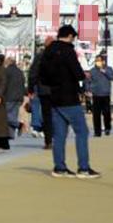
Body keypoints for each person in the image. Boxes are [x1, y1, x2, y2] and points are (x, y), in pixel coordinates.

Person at [40, 25, 100, 179]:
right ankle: (84, 168)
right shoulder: (67, 51)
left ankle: (60, 167)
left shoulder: (47, 52)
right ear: (69, 36)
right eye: (73, 37)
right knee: (82, 132)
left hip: (54, 97)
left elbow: (42, 76)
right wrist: (83, 76)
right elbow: (77, 73)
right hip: (69, 97)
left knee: (59, 135)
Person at [28, 37, 54, 149]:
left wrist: (30, 89)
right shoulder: (60, 56)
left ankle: (48, 141)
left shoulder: (40, 57)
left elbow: (33, 73)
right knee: (57, 114)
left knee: (47, 115)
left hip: (43, 89)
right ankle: (57, 138)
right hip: (58, 90)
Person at [87, 55, 113, 137]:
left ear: (103, 61)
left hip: (105, 95)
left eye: (99, 60)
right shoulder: (92, 71)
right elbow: (88, 81)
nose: (98, 62)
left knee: (106, 113)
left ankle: (107, 128)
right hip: (96, 95)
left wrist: (105, 72)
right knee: (96, 115)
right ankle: (97, 132)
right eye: (96, 60)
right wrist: (89, 90)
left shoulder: (109, 69)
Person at [3, 56, 26, 140]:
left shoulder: (6, 71)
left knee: (5, 116)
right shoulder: (20, 72)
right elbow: (23, 84)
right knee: (13, 115)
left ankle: (19, 125)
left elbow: (4, 84)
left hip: (9, 96)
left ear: (9, 62)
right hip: (19, 97)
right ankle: (11, 134)